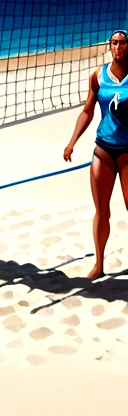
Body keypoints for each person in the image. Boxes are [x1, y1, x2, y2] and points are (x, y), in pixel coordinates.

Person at [64, 29, 128, 279]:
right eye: (115, 43)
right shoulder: (98, 75)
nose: (119, 47)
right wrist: (72, 142)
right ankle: (99, 264)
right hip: (103, 149)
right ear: (109, 46)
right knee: (102, 210)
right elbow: (87, 111)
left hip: (127, 152)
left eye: (123, 43)